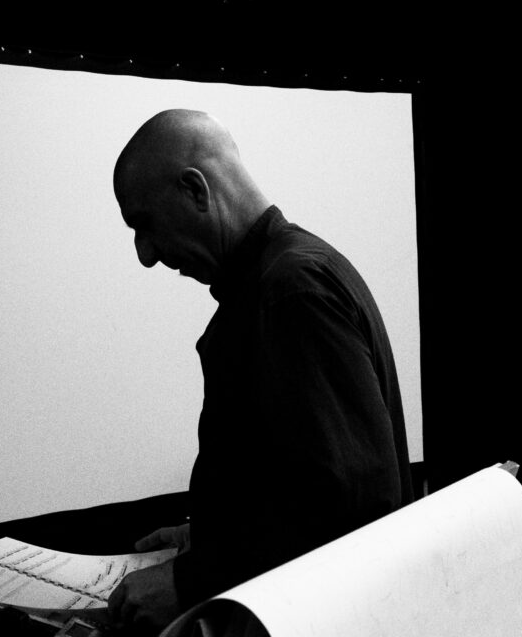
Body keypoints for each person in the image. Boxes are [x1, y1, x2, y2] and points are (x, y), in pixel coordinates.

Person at [108, 109, 413, 630]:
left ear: (195, 190)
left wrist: (190, 580)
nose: (145, 254)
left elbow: (354, 511)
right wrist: (207, 535)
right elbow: (302, 488)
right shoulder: (289, 276)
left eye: (145, 224)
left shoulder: (292, 291)